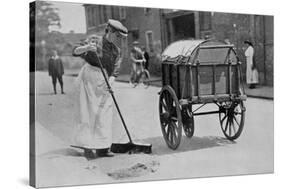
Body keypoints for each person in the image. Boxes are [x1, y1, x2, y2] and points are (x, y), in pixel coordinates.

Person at [72, 19, 128, 158]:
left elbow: (115, 70)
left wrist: (110, 82)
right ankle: (87, 147)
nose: (119, 40)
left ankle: (103, 147)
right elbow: (75, 51)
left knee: (104, 113)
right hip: (88, 78)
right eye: (117, 36)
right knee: (88, 112)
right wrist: (86, 48)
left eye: (121, 38)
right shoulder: (94, 40)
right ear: (109, 31)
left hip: (104, 80)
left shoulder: (117, 51)